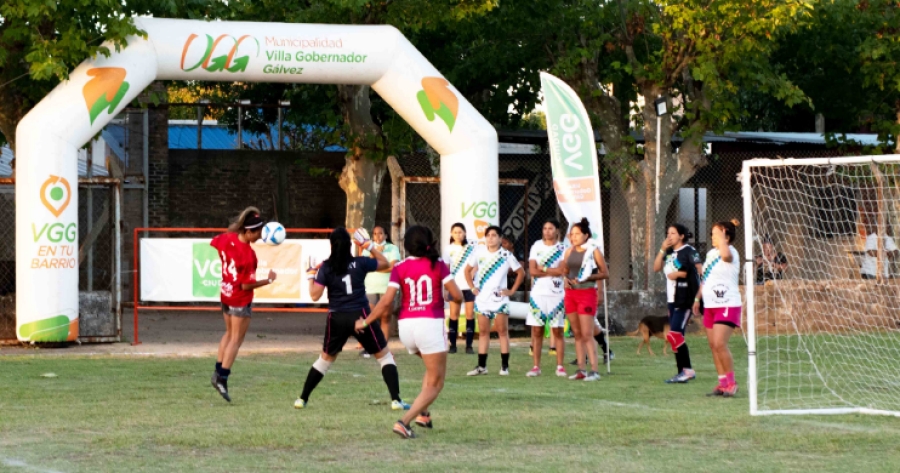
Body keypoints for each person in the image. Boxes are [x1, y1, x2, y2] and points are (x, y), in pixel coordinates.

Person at [357, 225, 463, 439]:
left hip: (406, 327)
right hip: (430, 324)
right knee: (437, 382)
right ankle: (404, 422)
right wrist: (450, 303)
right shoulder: (438, 264)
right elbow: (458, 295)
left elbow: (386, 301)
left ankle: (423, 414)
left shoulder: (401, 266)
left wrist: (366, 321)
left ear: (407, 246)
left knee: (430, 367)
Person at [294, 227, 410, 410]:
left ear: (331, 246)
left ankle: (302, 399)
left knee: (324, 360)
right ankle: (396, 400)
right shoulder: (361, 262)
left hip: (337, 318)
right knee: (385, 356)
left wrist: (310, 275)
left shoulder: (326, 267)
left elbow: (315, 296)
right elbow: (385, 263)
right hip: (360, 316)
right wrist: (369, 246)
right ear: (350, 245)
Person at [209, 207, 278, 402]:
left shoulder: (226, 238)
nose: (259, 237)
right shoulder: (248, 254)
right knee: (236, 339)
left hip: (226, 293)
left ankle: (217, 372)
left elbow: (215, 243)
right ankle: (222, 377)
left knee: (229, 333)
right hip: (240, 298)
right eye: (257, 233)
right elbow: (246, 284)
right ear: (248, 232)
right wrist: (268, 280)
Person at [465, 226, 525, 376]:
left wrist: (511, 291)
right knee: (484, 332)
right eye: (488, 235)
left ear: (500, 239)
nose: (490, 238)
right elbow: (467, 271)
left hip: (500, 299)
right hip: (482, 299)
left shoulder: (506, 255)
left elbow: (521, 272)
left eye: (494, 235)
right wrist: (472, 288)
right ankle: (481, 366)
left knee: (502, 332)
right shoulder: (479, 252)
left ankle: (504, 367)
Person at [694, 219, 742, 397]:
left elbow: (726, 256)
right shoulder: (711, 254)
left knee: (720, 343)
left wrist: (722, 238)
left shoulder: (730, 252)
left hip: (727, 304)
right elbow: (706, 279)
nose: (712, 237)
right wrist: (697, 299)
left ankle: (732, 383)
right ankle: (722, 383)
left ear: (725, 235)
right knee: (713, 345)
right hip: (711, 304)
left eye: (715, 234)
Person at [559, 218, 609, 382]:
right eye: (571, 234)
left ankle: (594, 370)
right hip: (571, 294)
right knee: (578, 333)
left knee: (587, 333)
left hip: (587, 293)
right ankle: (581, 369)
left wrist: (588, 277)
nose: (573, 237)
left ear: (586, 235)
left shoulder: (593, 251)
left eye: (577, 234)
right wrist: (566, 278)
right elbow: (566, 269)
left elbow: (604, 273)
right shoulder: (568, 251)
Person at [653, 223, 702, 384]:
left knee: (674, 334)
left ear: (681, 236)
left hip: (684, 298)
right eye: (668, 233)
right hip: (672, 300)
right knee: (676, 337)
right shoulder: (668, 252)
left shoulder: (689, 251)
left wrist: (697, 296)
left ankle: (686, 371)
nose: (670, 236)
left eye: (673, 233)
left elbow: (699, 271)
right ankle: (682, 371)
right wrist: (661, 249)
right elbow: (656, 268)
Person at [526, 219, 568, 377]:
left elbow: (562, 270)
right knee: (537, 330)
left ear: (557, 230)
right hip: (538, 294)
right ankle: (536, 366)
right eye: (545, 228)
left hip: (556, 294)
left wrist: (542, 268)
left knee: (557, 331)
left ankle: (560, 366)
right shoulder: (536, 246)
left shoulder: (563, 248)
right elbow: (532, 271)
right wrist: (552, 270)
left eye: (551, 228)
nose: (547, 231)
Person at [362, 225, 402, 354]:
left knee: (385, 317)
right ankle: (370, 346)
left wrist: (377, 267)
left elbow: (393, 267)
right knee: (371, 316)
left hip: (388, 287)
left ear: (385, 235)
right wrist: (376, 254)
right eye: (375, 234)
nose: (377, 236)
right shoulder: (368, 249)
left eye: (380, 233)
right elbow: (366, 265)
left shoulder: (392, 248)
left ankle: (383, 347)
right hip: (370, 287)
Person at [444, 223, 476, 354]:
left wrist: (472, 275)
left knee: (470, 315)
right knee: (453, 315)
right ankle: (453, 345)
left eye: (460, 232)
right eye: (455, 232)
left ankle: (469, 345)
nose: (458, 234)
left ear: (465, 233)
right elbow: (445, 270)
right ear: (451, 234)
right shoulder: (448, 249)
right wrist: (446, 288)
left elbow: (476, 264)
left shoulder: (472, 248)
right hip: (454, 286)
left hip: (469, 286)